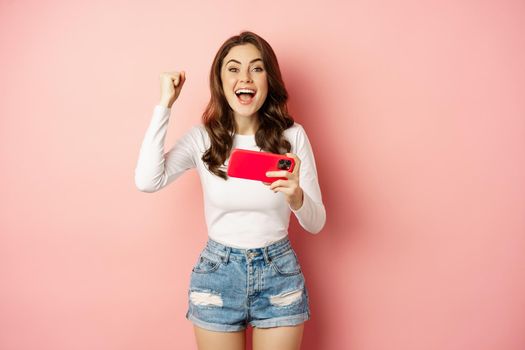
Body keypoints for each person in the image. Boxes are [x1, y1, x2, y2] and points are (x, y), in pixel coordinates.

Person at [134, 30, 326, 350]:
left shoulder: (293, 136)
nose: (245, 77)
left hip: (279, 273)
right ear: (221, 82)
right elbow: (147, 180)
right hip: (217, 273)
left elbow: (316, 222)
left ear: (269, 79)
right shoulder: (203, 139)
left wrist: (297, 198)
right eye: (233, 69)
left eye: (257, 67)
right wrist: (164, 105)